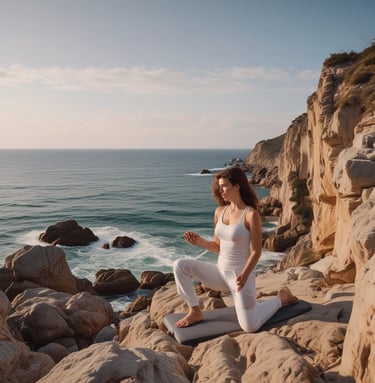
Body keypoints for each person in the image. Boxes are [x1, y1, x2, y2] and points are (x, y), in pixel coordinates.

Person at [173, 166, 298, 332]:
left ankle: (281, 299)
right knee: (180, 265)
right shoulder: (219, 212)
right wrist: (200, 242)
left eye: (224, 186)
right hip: (219, 274)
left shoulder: (251, 215)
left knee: (250, 327)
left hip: (240, 278)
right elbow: (218, 246)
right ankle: (195, 311)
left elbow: (256, 251)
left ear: (237, 186)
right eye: (220, 186)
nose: (221, 190)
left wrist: (245, 275)